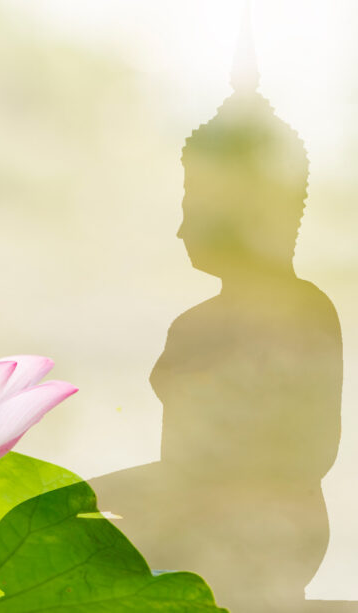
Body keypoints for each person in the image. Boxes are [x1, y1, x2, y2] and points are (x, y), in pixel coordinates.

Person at [89, 13, 343, 612]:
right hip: (186, 505)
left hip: (270, 528)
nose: (182, 228)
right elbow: (181, 464)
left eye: (199, 206)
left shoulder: (305, 311)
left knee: (73, 526)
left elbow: (311, 452)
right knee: (54, 514)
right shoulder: (197, 323)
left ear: (263, 213)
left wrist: (219, 481)